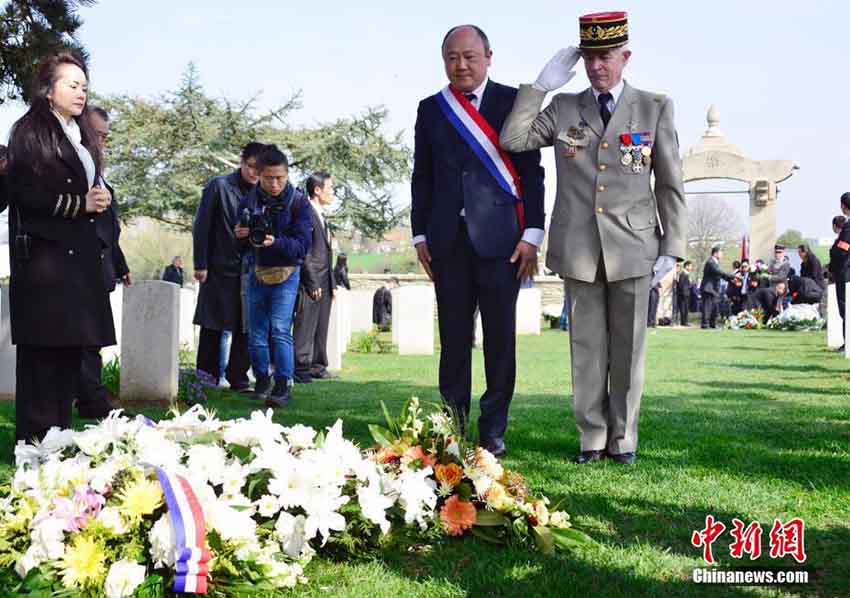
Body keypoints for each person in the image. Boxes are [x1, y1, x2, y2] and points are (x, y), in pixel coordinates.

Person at [500, 12, 686, 465]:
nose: (598, 66)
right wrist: (540, 87)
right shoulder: (566, 107)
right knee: (586, 349)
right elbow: (514, 137)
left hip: (634, 246)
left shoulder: (653, 107)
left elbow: (669, 181)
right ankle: (591, 437)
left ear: (625, 56)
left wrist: (673, 246)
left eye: (606, 57)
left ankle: (623, 439)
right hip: (580, 248)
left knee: (628, 351)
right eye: (590, 57)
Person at [411, 24, 546, 458]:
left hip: (502, 243)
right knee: (452, 340)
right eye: (452, 57)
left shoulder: (513, 102)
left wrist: (532, 234)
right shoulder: (432, 109)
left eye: (469, 56)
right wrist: (419, 233)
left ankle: (493, 430)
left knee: (499, 339)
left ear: (489, 56)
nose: (461, 64)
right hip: (447, 242)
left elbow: (531, 173)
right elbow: (422, 177)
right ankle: (451, 425)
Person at [7, 52, 116, 441]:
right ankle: (34, 450)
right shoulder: (30, 130)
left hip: (78, 265)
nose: (80, 91)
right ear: (48, 91)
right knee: (42, 365)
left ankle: (57, 446)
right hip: (44, 264)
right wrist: (80, 204)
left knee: (68, 361)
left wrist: (97, 200)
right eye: (71, 84)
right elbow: (25, 192)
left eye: (84, 85)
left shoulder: (79, 133)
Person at [237, 145, 312, 407]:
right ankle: (261, 379)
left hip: (287, 272)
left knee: (280, 329)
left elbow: (302, 247)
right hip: (256, 270)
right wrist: (242, 236)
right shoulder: (249, 200)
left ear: (287, 174)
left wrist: (274, 242)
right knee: (256, 332)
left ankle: (282, 385)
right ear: (259, 175)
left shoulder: (299, 202)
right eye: (269, 178)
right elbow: (239, 241)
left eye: (280, 177)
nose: (275, 183)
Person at [192, 142, 266, 392]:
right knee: (213, 325)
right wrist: (200, 263)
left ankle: (239, 377)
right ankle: (206, 377)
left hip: (251, 268)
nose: (255, 174)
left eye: (260, 169)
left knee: (246, 326)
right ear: (242, 162)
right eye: (252, 167)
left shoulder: (264, 194)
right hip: (219, 266)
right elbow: (202, 225)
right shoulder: (219, 186)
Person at [75, 105, 132, 420]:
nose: (101, 143)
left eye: (105, 137)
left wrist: (121, 265)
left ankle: (90, 396)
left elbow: (110, 229)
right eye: (97, 135)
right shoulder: (75, 172)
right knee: (85, 338)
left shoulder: (100, 176)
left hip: (102, 269)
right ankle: (91, 397)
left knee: (93, 337)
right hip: (81, 268)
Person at [294, 171, 337, 384]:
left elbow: (327, 252)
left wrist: (332, 282)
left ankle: (318, 366)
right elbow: (305, 251)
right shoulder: (306, 213)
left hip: (325, 280)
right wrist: (311, 281)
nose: (333, 193)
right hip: (311, 280)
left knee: (321, 325)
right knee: (306, 324)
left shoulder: (321, 215)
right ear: (317, 190)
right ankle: (301, 367)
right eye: (330, 189)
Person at [829, 198, 850, 351]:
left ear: (844, 206)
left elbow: (843, 248)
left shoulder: (848, 227)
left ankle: (847, 343)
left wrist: (833, 250)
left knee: (845, 307)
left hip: (845, 271)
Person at [700, 246, 736, 329]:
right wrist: (732, 276)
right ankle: (705, 324)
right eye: (721, 252)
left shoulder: (715, 262)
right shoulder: (710, 262)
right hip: (708, 288)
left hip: (713, 289)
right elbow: (719, 272)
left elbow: (719, 275)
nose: (722, 254)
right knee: (707, 307)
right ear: (715, 253)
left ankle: (712, 324)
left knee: (714, 307)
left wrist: (731, 280)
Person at [676, 261, 693, 326]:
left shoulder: (687, 274)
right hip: (683, 295)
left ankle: (685, 321)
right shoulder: (683, 274)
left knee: (686, 308)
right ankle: (684, 322)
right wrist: (684, 293)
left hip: (687, 294)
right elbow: (681, 285)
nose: (691, 268)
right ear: (686, 266)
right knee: (683, 308)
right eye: (690, 266)